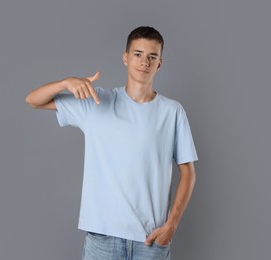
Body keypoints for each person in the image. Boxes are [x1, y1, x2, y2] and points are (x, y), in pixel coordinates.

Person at [25, 26, 198, 260]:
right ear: (125, 58)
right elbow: (33, 100)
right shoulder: (96, 102)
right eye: (137, 54)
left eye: (152, 56)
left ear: (159, 63)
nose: (144, 62)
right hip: (102, 241)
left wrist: (172, 225)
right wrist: (65, 83)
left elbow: (188, 172)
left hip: (150, 242)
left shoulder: (172, 112)